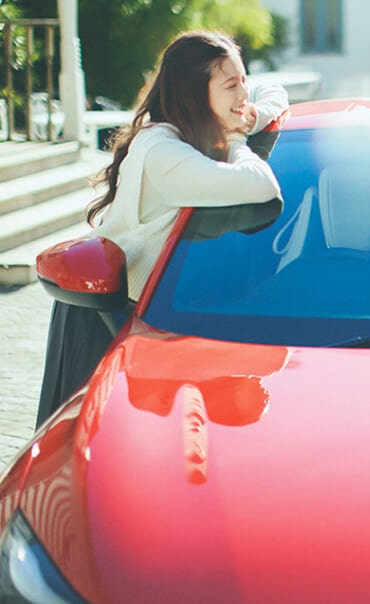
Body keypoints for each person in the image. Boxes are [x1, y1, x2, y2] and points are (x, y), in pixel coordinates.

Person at [36, 30, 288, 427]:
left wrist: (254, 116)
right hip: (107, 315)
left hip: (168, 317)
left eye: (244, 80)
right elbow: (261, 187)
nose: (243, 93)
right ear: (193, 93)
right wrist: (237, 139)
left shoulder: (195, 135)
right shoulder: (162, 151)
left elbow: (275, 91)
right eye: (231, 85)